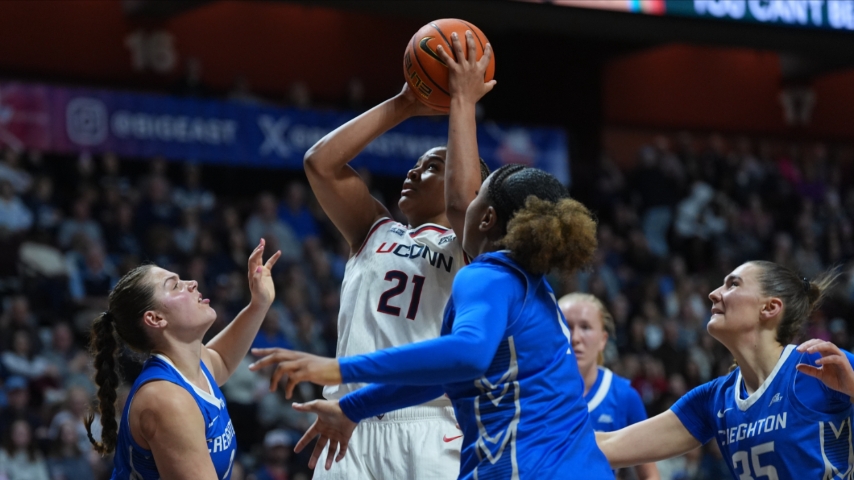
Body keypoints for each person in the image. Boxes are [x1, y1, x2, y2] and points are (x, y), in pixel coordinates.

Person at [251, 163, 615, 479]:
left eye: (475, 198)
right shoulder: (535, 291)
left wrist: (339, 369)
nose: (463, 203)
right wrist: (352, 408)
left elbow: (467, 354)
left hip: (529, 469)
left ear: (486, 218)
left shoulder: (488, 276)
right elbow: (447, 375)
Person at [276, 30, 492, 480]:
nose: (414, 171)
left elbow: (462, 202)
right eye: (416, 164)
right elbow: (320, 163)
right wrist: (405, 102)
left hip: (429, 423)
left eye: (432, 166)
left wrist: (462, 101)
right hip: (348, 423)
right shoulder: (374, 229)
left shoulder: (474, 246)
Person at [595, 260, 852, 479]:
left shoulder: (821, 364)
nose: (713, 294)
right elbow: (610, 445)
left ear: (769, 308)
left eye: (733, 284)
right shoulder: (715, 400)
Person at [85, 238, 281, 479]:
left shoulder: (194, 366)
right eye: (175, 285)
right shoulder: (167, 400)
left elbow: (222, 359)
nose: (192, 283)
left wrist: (259, 303)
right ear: (155, 319)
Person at [559, 293, 660, 480]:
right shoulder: (533, 392)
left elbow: (650, 475)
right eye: (566, 326)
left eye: (585, 327)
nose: (575, 338)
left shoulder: (624, 396)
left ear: (603, 340)